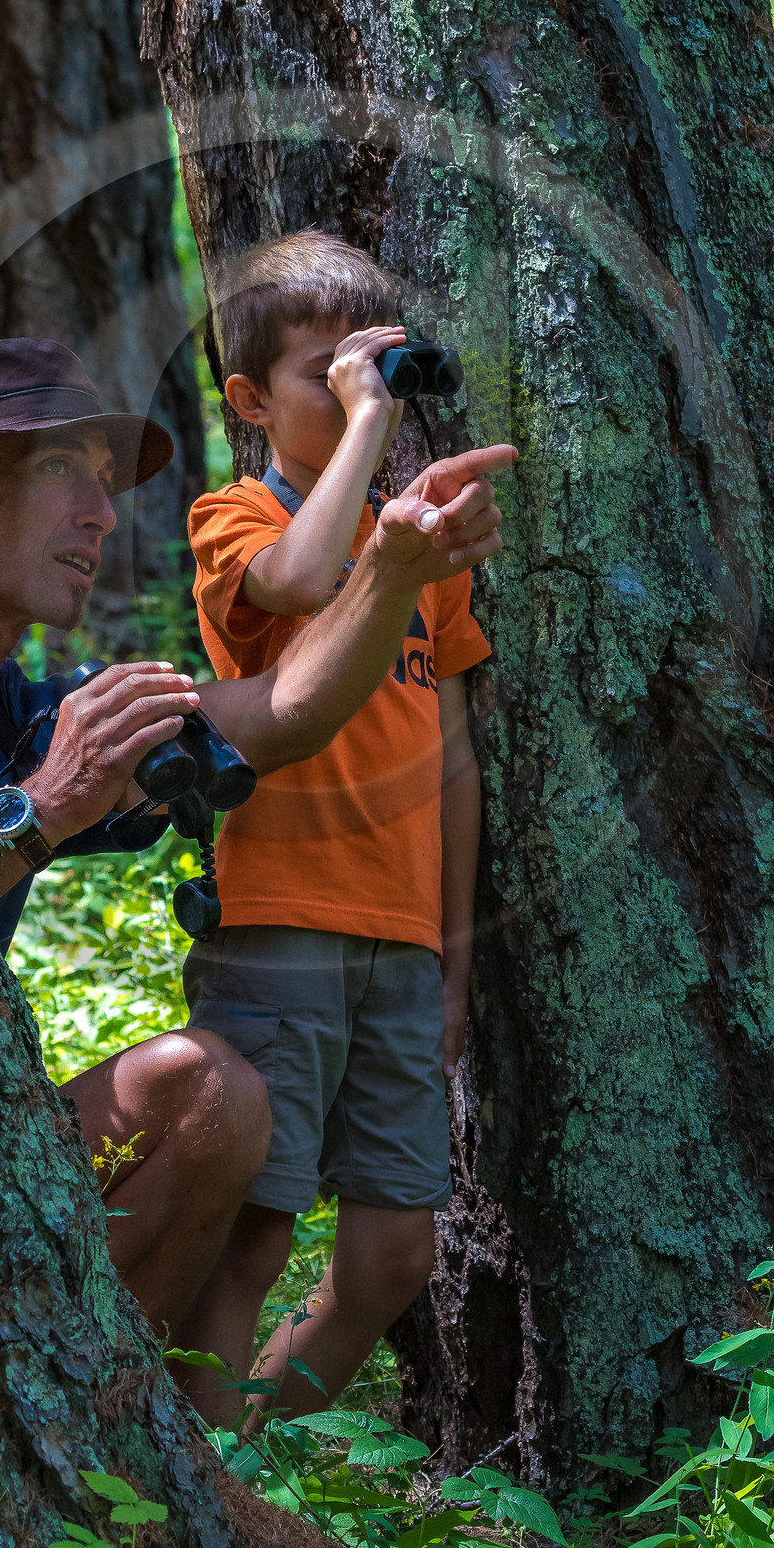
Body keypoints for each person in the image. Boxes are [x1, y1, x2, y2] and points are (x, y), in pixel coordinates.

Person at [0, 334, 513, 1345]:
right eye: (57, 473)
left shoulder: (29, 721)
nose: (101, 513)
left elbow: (283, 711)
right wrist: (42, 811)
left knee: (210, 1091)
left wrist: (388, 569)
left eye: (101, 481)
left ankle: (114, 1439)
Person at [174, 234, 488, 1423]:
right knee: (251, 1240)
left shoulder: (421, 551)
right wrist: (370, 429)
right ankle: (206, 1494)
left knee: (391, 1261)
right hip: (281, 924)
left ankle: (238, 1447)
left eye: (383, 372)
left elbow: (451, 759)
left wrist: (451, 953)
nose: (367, 396)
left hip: (401, 936)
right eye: (331, 375)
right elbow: (301, 586)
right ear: (251, 401)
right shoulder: (234, 514)